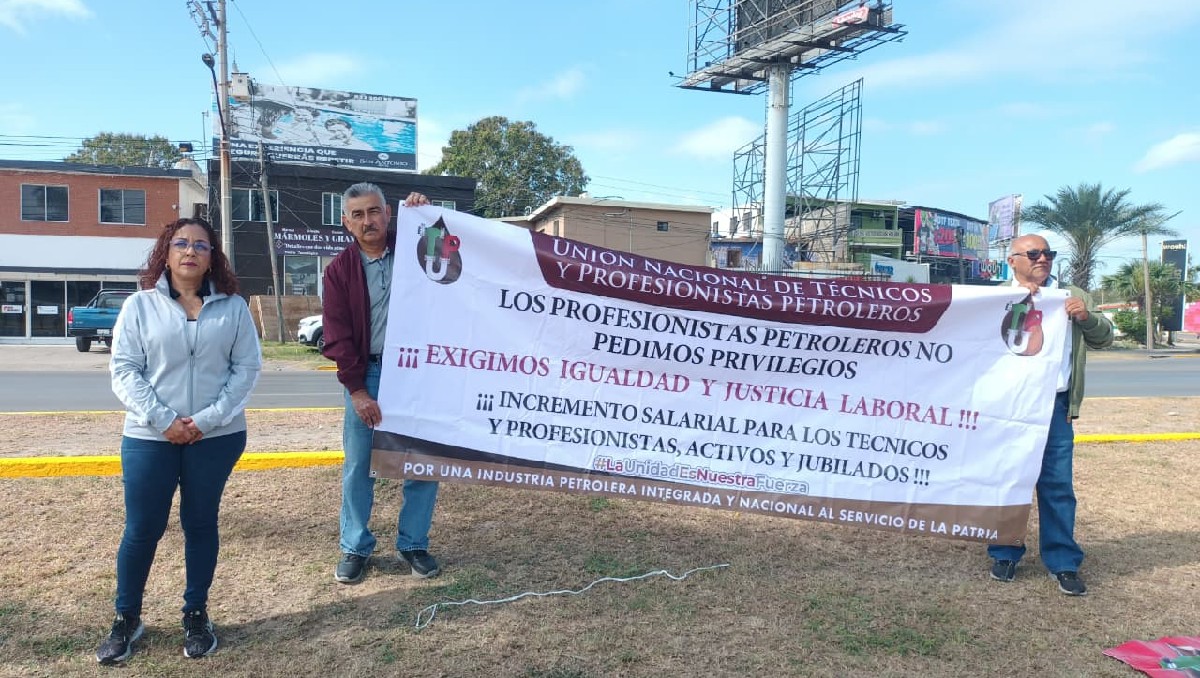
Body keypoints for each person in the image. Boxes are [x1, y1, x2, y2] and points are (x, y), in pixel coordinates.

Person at [95, 218, 261, 664]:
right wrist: (164, 419)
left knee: (201, 523)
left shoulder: (234, 308)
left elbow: (246, 370)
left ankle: (196, 613)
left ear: (213, 256)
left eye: (201, 246)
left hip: (217, 437)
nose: (191, 252)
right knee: (142, 528)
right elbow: (124, 370)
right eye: (181, 243)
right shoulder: (139, 306)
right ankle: (126, 617)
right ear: (165, 253)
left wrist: (205, 421)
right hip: (149, 436)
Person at [322, 182, 441, 584]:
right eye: (357, 215)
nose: (367, 221)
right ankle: (355, 546)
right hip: (368, 374)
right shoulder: (339, 271)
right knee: (359, 466)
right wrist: (357, 390)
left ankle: (413, 543)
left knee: (421, 461)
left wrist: (427, 215)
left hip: (419, 372)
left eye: (374, 212)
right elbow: (337, 336)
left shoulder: (415, 248)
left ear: (388, 213)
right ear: (346, 222)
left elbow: (452, 265)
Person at [988, 234, 1113, 596]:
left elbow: (1104, 337)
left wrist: (1086, 318)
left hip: (1054, 406)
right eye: (1033, 253)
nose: (1042, 259)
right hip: (1009, 405)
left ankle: (1063, 562)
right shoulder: (994, 297)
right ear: (1012, 260)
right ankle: (1005, 552)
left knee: (1057, 485)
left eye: (1048, 253)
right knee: (1010, 480)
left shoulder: (1072, 295)